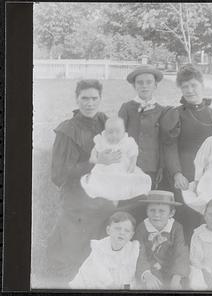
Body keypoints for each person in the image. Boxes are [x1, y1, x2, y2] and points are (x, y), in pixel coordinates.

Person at [46, 79, 121, 286]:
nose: (89, 103)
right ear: (76, 99)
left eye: (94, 98)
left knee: (103, 244)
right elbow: (58, 174)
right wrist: (92, 162)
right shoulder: (67, 131)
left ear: (100, 99)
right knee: (72, 256)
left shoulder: (105, 122)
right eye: (84, 98)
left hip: (102, 193)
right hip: (76, 196)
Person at [161, 64, 212, 242]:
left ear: (202, 85)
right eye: (185, 87)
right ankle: (187, 259)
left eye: (193, 85)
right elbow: (170, 147)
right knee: (188, 219)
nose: (190, 91)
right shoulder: (176, 115)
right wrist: (177, 173)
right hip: (186, 175)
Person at [80, 117, 152, 203]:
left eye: (118, 132)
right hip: (105, 169)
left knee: (126, 181)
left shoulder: (127, 141)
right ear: (105, 132)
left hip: (123, 167)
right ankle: (110, 199)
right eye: (110, 132)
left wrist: (132, 164)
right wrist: (98, 160)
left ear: (124, 131)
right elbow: (92, 156)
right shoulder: (101, 141)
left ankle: (123, 198)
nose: (114, 135)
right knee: (103, 181)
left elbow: (134, 153)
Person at [119, 65, 167, 189]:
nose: (144, 86)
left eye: (149, 82)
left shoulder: (161, 110)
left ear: (155, 85)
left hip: (151, 164)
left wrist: (161, 166)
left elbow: (163, 141)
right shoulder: (127, 107)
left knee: (147, 195)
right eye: (140, 83)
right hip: (130, 163)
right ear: (134, 86)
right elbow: (119, 136)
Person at [69, 212, 140, 290]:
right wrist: (112, 285)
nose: (122, 233)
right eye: (117, 228)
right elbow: (100, 270)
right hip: (96, 277)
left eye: (127, 230)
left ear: (131, 235)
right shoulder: (99, 247)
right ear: (108, 230)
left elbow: (130, 271)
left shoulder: (132, 249)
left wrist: (125, 287)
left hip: (119, 280)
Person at [134, 190, 190, 290]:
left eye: (162, 211)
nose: (156, 214)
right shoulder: (142, 228)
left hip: (172, 268)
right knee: (150, 286)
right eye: (152, 210)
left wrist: (176, 277)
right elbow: (139, 253)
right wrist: (147, 274)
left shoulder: (176, 228)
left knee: (183, 286)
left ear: (171, 213)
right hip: (150, 269)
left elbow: (181, 252)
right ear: (147, 211)